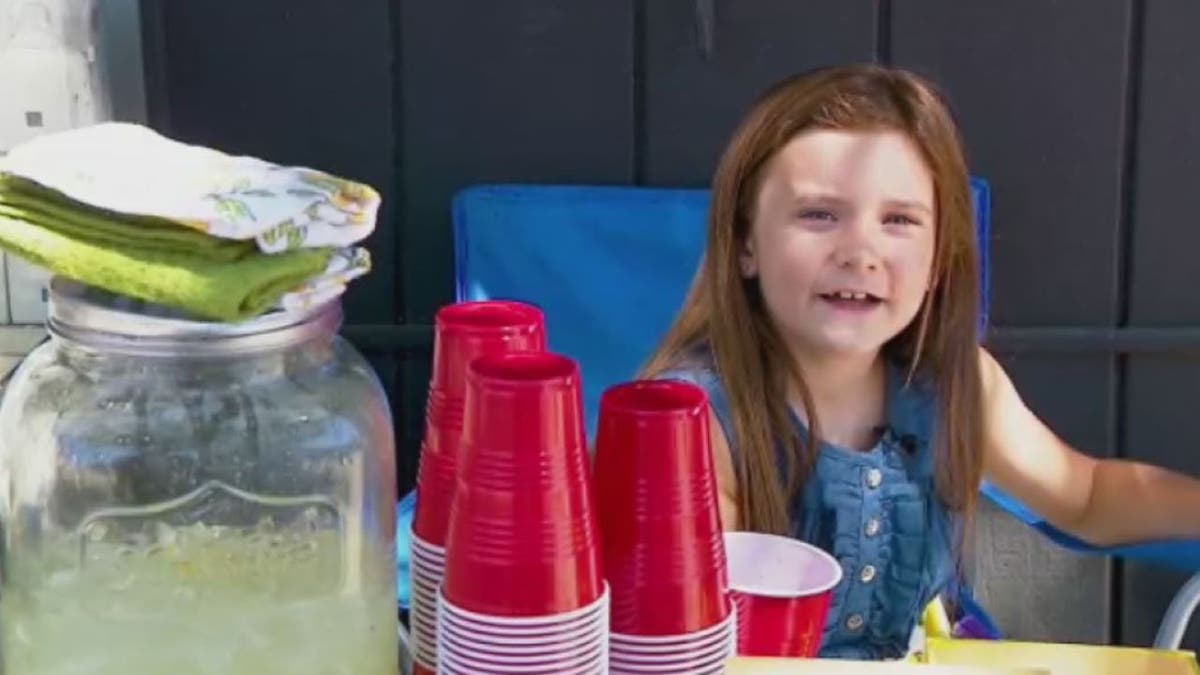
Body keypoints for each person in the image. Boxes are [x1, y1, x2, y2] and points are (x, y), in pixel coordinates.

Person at [642, 64, 1200, 660]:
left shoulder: (955, 388)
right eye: (819, 215)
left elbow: (1087, 498)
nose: (860, 251)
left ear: (939, 260)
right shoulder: (695, 422)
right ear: (745, 244)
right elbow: (706, 652)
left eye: (899, 221)